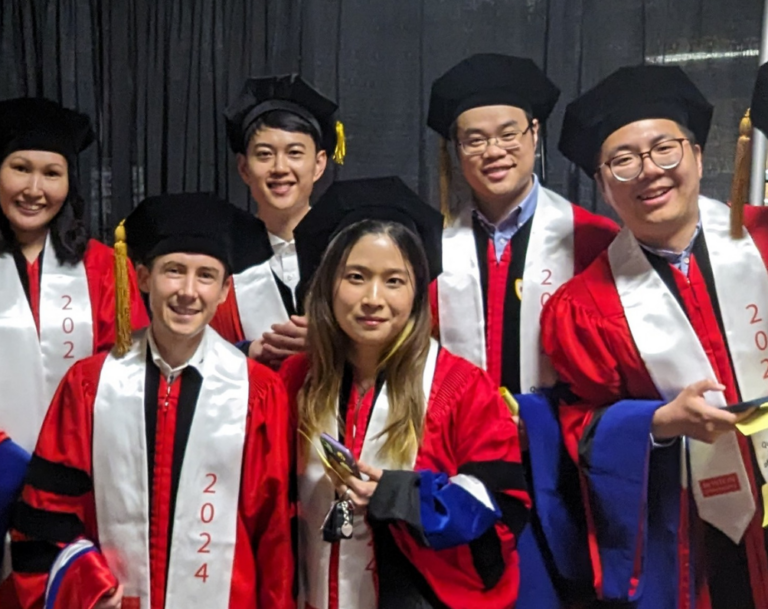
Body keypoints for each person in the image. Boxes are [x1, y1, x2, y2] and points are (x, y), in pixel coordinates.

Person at [541, 64, 768, 608]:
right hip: (689, 537)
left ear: (695, 154)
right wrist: (660, 422)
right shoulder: (583, 308)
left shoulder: (764, 241)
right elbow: (579, 425)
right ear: (601, 183)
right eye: (622, 161)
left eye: (664, 149)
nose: (649, 172)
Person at [11, 193, 294, 609]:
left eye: (206, 276)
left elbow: (274, 537)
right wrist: (87, 590)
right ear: (143, 277)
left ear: (224, 290)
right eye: (173, 271)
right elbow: (49, 510)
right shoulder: (89, 385)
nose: (187, 292)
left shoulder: (258, 391)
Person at [281, 177, 530, 609]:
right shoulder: (297, 379)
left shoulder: (461, 387)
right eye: (355, 277)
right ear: (328, 285)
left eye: (394, 281)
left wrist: (404, 496)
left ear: (417, 293)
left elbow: (503, 509)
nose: (373, 299)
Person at [426, 54, 619, 608]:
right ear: (456, 151)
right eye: (474, 139)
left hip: (562, 469)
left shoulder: (593, 241)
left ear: (535, 135)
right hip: (463, 465)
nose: (493, 152)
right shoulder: (429, 250)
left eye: (509, 133)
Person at [0, 97, 148, 606]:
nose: (34, 189)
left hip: (79, 492)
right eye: (20, 168)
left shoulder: (106, 268)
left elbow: (127, 382)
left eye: (52, 173)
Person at [211, 74, 344, 369]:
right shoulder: (221, 260)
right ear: (244, 168)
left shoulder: (349, 250)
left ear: (319, 163)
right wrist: (246, 354)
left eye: (295, 153)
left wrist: (333, 341)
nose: (280, 168)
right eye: (264, 155)